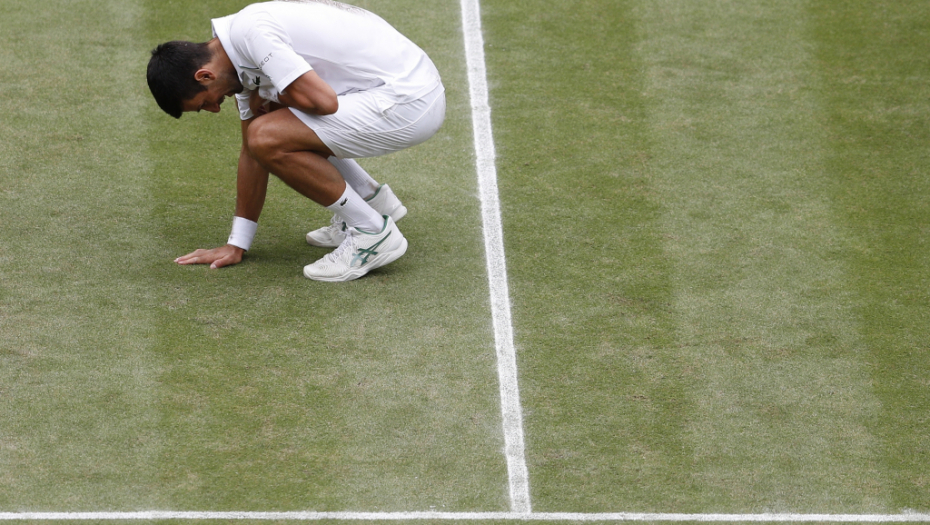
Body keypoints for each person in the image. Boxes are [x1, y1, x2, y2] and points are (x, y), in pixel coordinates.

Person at [146, 0, 445, 282]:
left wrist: (268, 93)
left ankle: (372, 233)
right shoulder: (237, 55)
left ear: (204, 76)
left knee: (269, 131)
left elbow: (323, 102)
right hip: (395, 88)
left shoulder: (253, 35)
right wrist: (236, 243)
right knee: (269, 128)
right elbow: (251, 154)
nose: (213, 109)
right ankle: (371, 200)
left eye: (203, 104)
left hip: (410, 99)